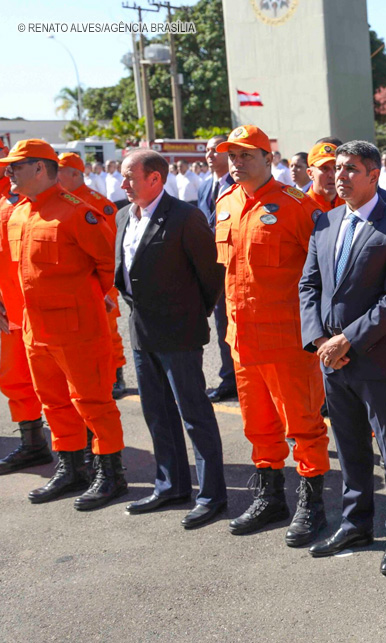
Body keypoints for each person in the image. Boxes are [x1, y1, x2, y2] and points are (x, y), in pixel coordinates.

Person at [299, 140, 386, 576]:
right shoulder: (326, 221)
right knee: (349, 447)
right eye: (336, 169)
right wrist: (318, 340)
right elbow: (309, 286)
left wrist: (347, 339)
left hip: (376, 358)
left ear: (374, 174)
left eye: (350, 169)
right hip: (332, 360)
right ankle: (356, 523)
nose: (340, 176)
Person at [213, 126, 331, 544]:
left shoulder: (298, 206)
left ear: (269, 159)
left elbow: (322, 275)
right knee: (258, 426)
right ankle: (270, 498)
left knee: (304, 426)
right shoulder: (225, 203)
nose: (237, 162)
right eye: (233, 155)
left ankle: (312, 504)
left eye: (247, 155)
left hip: (287, 340)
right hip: (242, 340)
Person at [1, 140, 126, 511]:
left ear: (40, 169)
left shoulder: (77, 213)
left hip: (77, 327)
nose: (8, 173)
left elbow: (110, 266)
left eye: (16, 167)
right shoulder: (19, 213)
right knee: (53, 401)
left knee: (93, 403)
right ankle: (71, 467)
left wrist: (93, 302)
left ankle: (110, 473)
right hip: (34, 329)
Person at [116, 149, 228, 529]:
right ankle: (171, 486)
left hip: (179, 332)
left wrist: (194, 313)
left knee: (193, 414)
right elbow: (126, 273)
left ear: (155, 179)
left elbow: (210, 275)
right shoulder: (123, 216)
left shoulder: (184, 216)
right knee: (157, 413)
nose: (123, 184)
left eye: (130, 177)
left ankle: (211, 494)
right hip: (142, 331)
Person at [56, 153, 128, 400]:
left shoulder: (100, 204)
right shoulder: (58, 201)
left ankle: (117, 374)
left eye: (60, 170)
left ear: (76, 174)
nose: (55, 174)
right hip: (72, 283)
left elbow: (113, 246)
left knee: (109, 330)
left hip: (101, 279)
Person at [0, 141, 51, 475]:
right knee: (15, 379)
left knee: (59, 381)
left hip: (40, 309)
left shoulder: (23, 200)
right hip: (8, 310)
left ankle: (89, 450)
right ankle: (33, 444)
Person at [197, 135, 237, 403]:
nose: (210, 155)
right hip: (209, 267)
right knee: (220, 325)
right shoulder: (204, 187)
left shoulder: (239, 185)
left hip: (232, 265)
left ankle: (236, 377)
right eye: (207, 150)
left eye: (216, 150)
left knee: (233, 325)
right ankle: (229, 377)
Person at [304, 140, 344, 213]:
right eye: (324, 168)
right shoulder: (301, 207)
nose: (332, 175)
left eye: (336, 168)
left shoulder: (351, 205)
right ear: (310, 173)